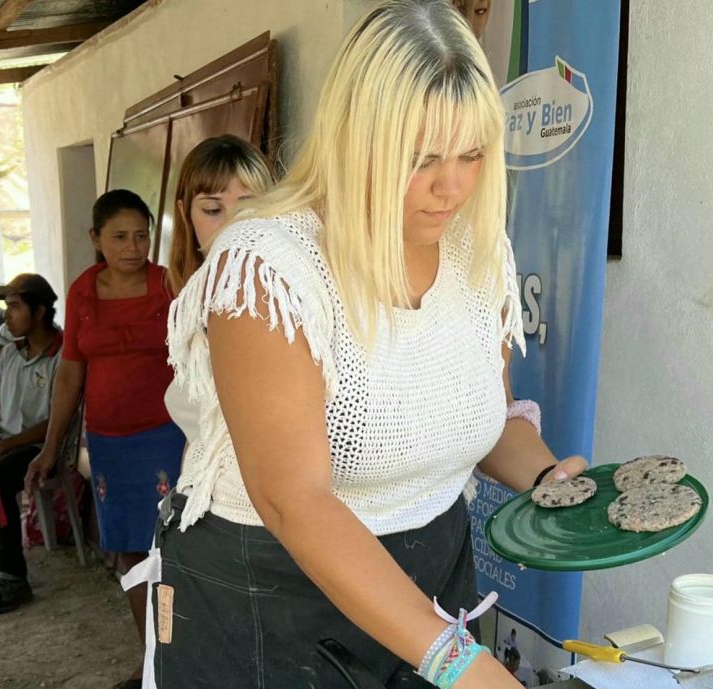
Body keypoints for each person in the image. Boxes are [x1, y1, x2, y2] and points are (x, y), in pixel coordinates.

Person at [151, 2, 587, 687]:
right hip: (270, 599)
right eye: (422, 159)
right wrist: (457, 662)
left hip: (428, 582)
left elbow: (489, 415)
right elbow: (295, 498)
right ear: (358, 140)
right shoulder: (270, 267)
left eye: (472, 154)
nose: (452, 185)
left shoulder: (476, 252)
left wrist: (547, 479)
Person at [29, 189, 184, 689]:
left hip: (168, 439)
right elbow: (71, 374)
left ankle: (178, 657)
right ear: (95, 239)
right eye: (119, 237)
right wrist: (52, 447)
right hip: (110, 446)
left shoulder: (169, 284)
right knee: (131, 553)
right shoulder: (82, 293)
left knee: (172, 553)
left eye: (141, 235)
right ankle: (153, 662)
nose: (133, 247)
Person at [0, 273, 63, 613]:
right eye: (6, 306)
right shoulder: (10, 353)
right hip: (4, 442)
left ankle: (13, 577)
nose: (7, 314)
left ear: (39, 312)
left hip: (41, 448)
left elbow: (54, 424)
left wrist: (4, 447)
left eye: (14, 306)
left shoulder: (62, 356)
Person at [166, 134, 273, 296]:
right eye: (212, 209)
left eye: (246, 209)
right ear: (185, 213)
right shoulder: (181, 299)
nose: (230, 225)